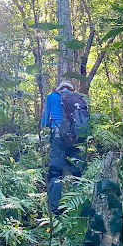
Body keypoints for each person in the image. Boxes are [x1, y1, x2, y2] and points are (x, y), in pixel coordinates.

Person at [42, 80, 85, 215]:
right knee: (77, 172)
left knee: (55, 172)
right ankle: (78, 208)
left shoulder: (52, 97)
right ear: (71, 90)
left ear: (59, 88)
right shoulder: (80, 99)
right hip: (77, 138)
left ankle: (54, 210)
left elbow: (44, 122)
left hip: (58, 137)